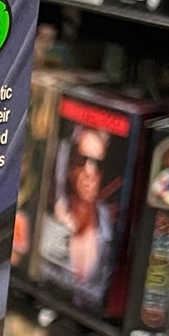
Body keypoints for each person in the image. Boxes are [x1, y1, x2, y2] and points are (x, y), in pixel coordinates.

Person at [53, 125, 113, 295]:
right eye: (82, 160)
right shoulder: (53, 214)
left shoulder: (110, 231)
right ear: (70, 166)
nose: (89, 172)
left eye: (97, 163)